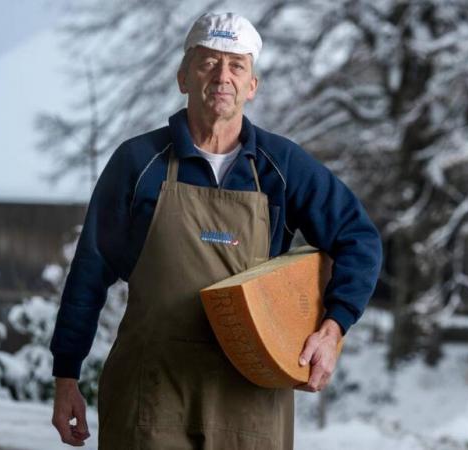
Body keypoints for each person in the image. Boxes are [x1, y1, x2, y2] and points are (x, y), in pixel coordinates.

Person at [49, 11, 382, 450]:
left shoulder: (282, 168)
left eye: (236, 66)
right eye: (208, 63)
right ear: (183, 76)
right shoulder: (138, 162)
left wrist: (333, 328)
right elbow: (90, 270)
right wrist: (66, 374)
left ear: (252, 86)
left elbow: (359, 238)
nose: (222, 76)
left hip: (251, 398)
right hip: (152, 395)